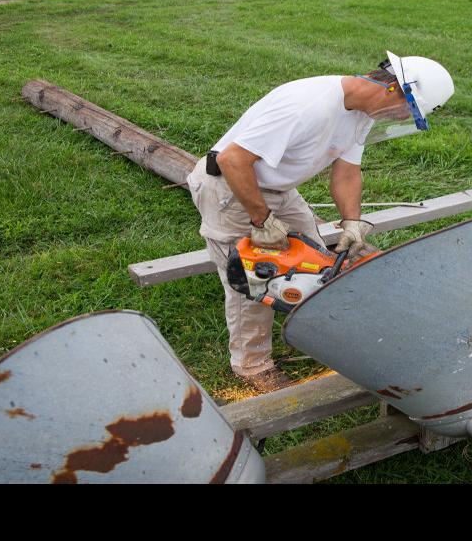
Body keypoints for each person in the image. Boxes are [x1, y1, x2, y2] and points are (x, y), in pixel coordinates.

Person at [186, 51, 455, 392]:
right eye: (407, 110)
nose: (399, 117)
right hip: (230, 186)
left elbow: (347, 172)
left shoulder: (363, 111)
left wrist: (352, 222)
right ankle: (252, 365)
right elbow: (232, 159)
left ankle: (310, 329)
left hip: (278, 187)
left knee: (318, 262)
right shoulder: (307, 104)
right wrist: (261, 220)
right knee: (254, 275)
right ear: (393, 90)